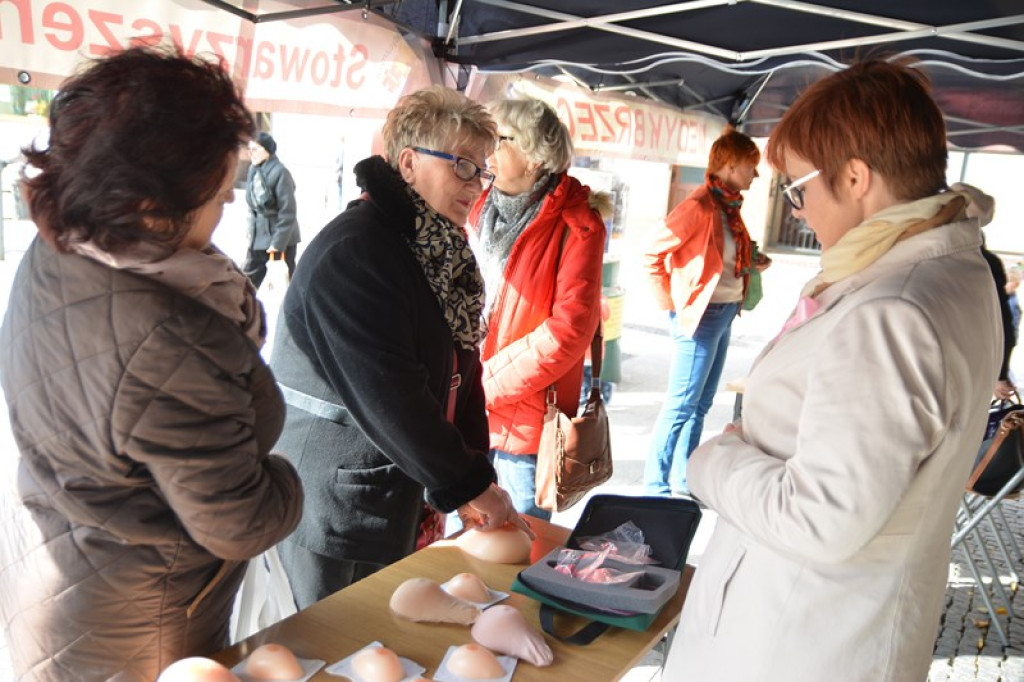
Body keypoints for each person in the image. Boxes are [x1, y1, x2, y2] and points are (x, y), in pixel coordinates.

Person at [663, 60, 1002, 682]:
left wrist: (713, 461)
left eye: (798, 189)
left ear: (854, 177)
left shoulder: (892, 312)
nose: (796, 210)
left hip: (798, 640)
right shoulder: (948, 265)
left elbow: (820, 518)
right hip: (826, 622)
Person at [0, 47, 303, 681]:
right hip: (137, 623)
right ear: (149, 207)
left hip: (58, 571)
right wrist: (286, 479)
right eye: (218, 193)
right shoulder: (169, 336)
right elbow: (239, 520)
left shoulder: (61, 244)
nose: (230, 204)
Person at [270, 85, 531, 610]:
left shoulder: (437, 250)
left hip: (399, 490)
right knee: (343, 643)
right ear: (408, 163)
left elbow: (462, 373)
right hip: (338, 505)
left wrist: (475, 470)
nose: (475, 184)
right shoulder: (357, 250)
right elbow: (390, 394)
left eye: (482, 171)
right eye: (463, 165)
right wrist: (468, 482)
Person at [466, 97, 607, 521]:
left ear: (535, 158)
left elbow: (568, 332)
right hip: (467, 417)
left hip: (523, 431)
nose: (488, 147)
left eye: (501, 139)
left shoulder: (578, 224)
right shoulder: (476, 206)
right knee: (459, 545)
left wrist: (483, 384)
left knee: (516, 546)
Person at [642, 126, 771, 497]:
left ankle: (683, 481)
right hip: (702, 317)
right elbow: (652, 252)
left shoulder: (728, 207)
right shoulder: (699, 206)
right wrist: (672, 306)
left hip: (726, 310)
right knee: (681, 405)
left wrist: (751, 262)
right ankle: (655, 488)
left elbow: (719, 256)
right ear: (730, 166)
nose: (755, 174)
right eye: (750, 166)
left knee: (700, 405)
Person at [951, 182, 1017, 399]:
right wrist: (1000, 374)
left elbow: (1002, 319)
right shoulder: (986, 261)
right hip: (967, 364)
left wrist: (1000, 374)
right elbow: (1003, 321)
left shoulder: (977, 262)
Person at [243, 131, 301, 287]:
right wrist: (250, 232)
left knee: (286, 281)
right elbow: (251, 206)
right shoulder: (253, 170)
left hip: (281, 236)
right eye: (249, 149)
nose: (251, 153)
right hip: (259, 236)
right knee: (248, 278)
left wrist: (277, 243)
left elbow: (288, 212)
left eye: (255, 149)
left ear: (267, 150)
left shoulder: (281, 172)